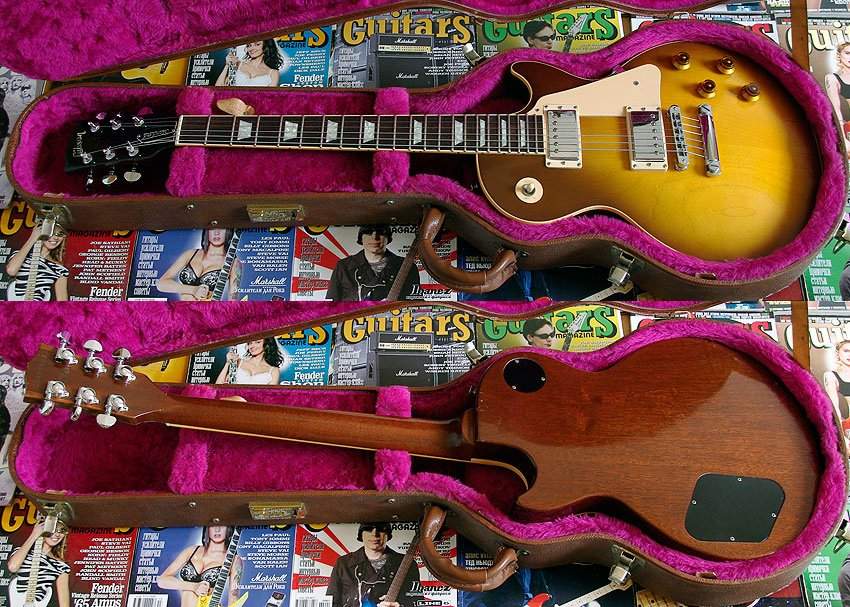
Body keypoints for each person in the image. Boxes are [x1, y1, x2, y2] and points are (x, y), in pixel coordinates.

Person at [327, 523, 420, 607]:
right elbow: (332, 602)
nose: (375, 534)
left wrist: (400, 605)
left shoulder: (408, 564)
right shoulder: (343, 563)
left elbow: (417, 601)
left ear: (388, 534)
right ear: (361, 534)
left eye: (381, 529)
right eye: (368, 529)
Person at [326, 226, 419, 301]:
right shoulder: (343, 266)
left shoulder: (408, 267)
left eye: (381, 232)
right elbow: (331, 306)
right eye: (368, 232)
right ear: (361, 238)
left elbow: (415, 303)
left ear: (388, 238)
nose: (375, 237)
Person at [157, 526, 243, 607]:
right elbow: (162, 580)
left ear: (229, 529)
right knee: (188, 591)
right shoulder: (191, 551)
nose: (217, 530)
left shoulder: (234, 559)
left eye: (222, 526)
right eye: (213, 526)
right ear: (207, 528)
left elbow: (233, 595)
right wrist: (194, 587)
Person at [157, 228, 234, 301]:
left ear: (228, 232)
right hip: (181, 307)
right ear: (207, 231)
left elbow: (233, 300)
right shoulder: (190, 254)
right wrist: (193, 290)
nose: (216, 233)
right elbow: (161, 284)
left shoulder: (232, 262)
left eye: (222, 229)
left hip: (207, 309)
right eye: (212, 229)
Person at [7, 521, 70, 607]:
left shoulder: (61, 566)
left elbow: (64, 605)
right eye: (53, 529)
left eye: (61, 531)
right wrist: (34, 534)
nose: (57, 534)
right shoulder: (21, 552)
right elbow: (12, 567)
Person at [5, 223, 69, 301]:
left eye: (60, 234)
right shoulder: (20, 255)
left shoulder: (60, 269)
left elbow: (62, 301)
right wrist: (33, 237)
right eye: (51, 233)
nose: (55, 237)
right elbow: (11, 271)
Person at [215, 40, 285, 87]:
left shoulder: (273, 73)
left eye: (257, 44)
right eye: (249, 45)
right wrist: (227, 65)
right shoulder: (238, 64)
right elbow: (218, 86)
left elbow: (270, 97)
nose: (251, 48)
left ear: (266, 46)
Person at [215, 338, 282, 385]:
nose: (252, 346)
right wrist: (228, 363)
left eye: (258, 342)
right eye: (250, 343)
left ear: (267, 344)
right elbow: (218, 385)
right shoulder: (238, 362)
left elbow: (270, 396)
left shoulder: (273, 370)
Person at [826, 43, 850, 141]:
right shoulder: (832, 78)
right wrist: (843, 138)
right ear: (839, 55)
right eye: (847, 53)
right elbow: (836, 110)